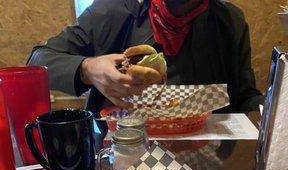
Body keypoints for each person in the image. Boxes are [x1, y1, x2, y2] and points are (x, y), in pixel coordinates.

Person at [27, 0, 264, 123]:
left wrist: (277, 112)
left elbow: (246, 98)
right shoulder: (110, 12)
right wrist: (88, 68)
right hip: (124, 154)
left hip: (211, 165)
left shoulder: (231, 21)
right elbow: (37, 61)